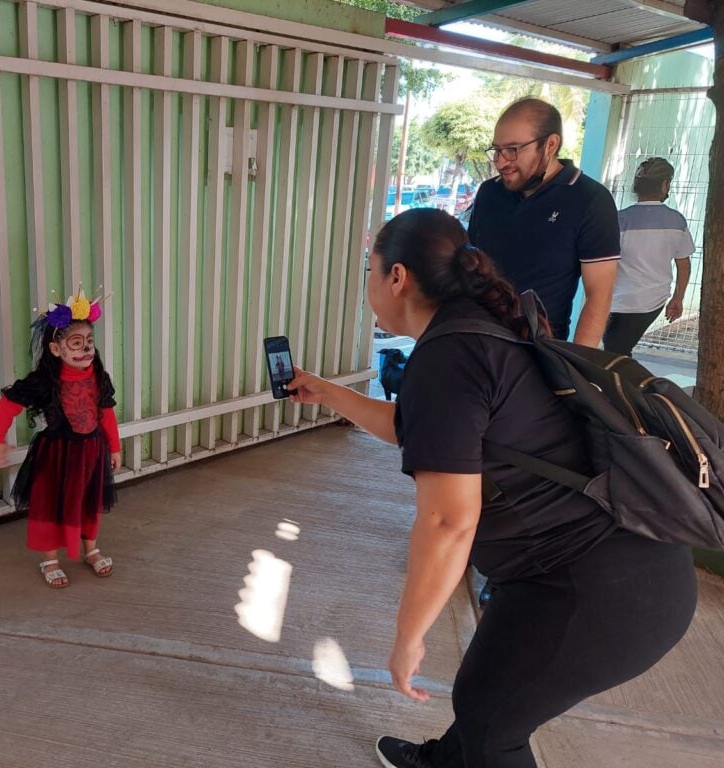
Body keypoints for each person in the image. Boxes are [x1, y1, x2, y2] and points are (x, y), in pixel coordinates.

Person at [288, 209, 695, 768]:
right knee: (488, 702)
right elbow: (424, 432)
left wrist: (409, 635)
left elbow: (447, 523)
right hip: (620, 566)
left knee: (491, 727)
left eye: (371, 268)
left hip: (599, 590)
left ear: (398, 277)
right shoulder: (476, 327)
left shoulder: (450, 356)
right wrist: (328, 393)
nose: (369, 281)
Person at [0, 288, 122, 588]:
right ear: (55, 349)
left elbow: (106, 414)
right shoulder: (44, 382)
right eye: (76, 343)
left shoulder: (99, 378)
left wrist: (114, 446)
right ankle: (50, 559)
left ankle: (91, 549)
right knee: (51, 505)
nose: (85, 349)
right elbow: (8, 404)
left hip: (92, 452)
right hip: (57, 455)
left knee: (90, 500)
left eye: (89, 342)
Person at [469, 98, 620, 346]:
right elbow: (472, 265)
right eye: (496, 150)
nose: (501, 161)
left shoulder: (590, 199)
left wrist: (576, 367)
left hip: (537, 353)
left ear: (550, 145)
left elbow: (599, 295)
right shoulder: (489, 193)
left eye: (513, 150)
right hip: (476, 341)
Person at [603, 157, 694, 356]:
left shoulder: (620, 219)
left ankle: (629, 386)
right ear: (664, 185)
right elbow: (684, 264)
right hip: (654, 301)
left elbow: (605, 263)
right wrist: (678, 297)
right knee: (618, 354)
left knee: (614, 355)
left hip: (619, 302)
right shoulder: (677, 221)